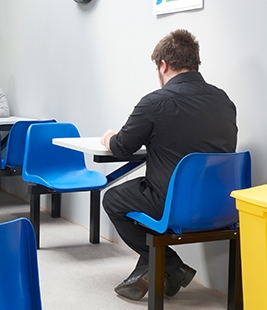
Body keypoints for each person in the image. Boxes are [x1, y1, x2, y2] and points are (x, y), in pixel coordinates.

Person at [100, 29, 237, 301]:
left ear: (163, 65)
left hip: (174, 207)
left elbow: (122, 147)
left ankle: (172, 265)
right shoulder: (224, 100)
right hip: (223, 206)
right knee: (145, 190)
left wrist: (108, 138)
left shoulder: (156, 102)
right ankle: (160, 270)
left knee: (113, 198)